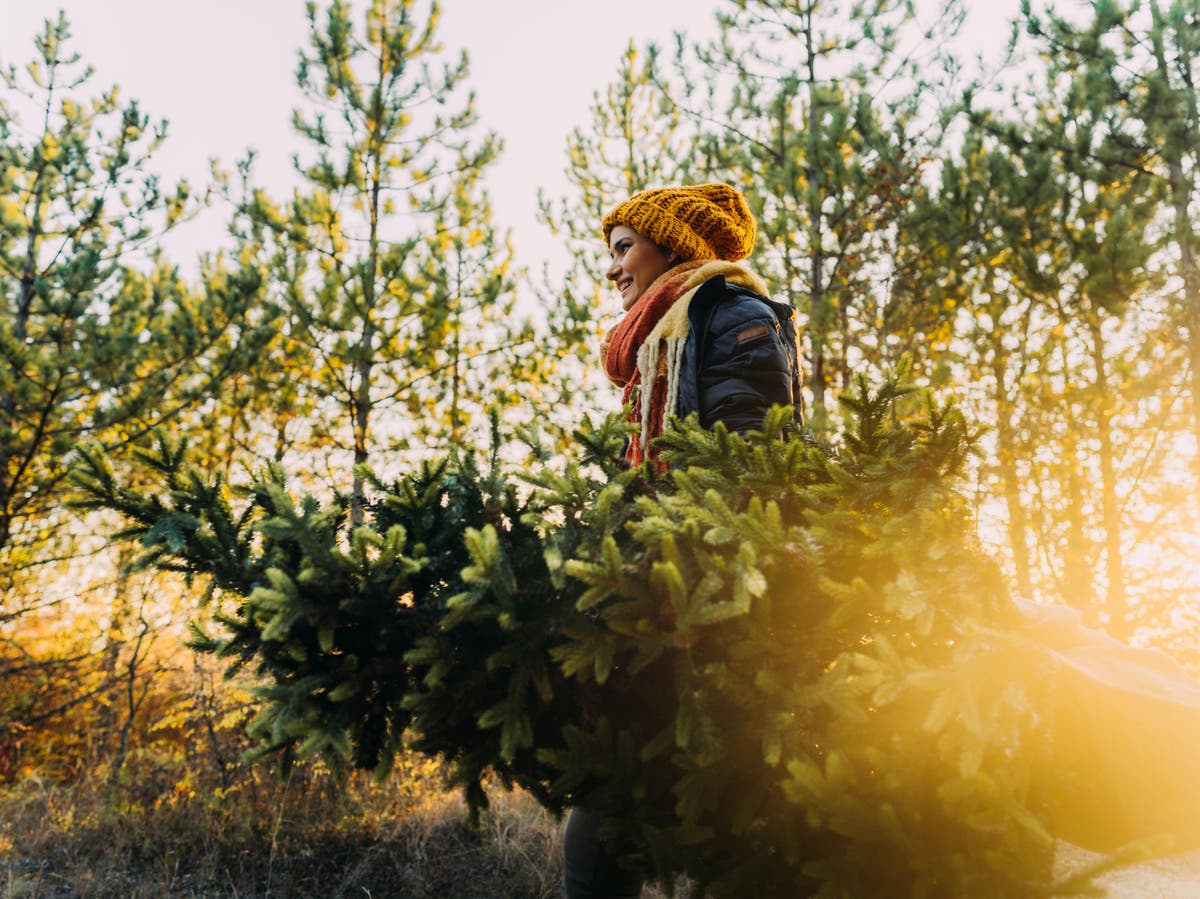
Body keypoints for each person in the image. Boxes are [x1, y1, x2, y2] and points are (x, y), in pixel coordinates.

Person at [563, 183, 804, 899]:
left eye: (623, 248)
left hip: (715, 599)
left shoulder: (730, 315)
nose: (612, 269)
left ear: (673, 244)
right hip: (660, 588)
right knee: (605, 810)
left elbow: (742, 458)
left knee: (708, 814)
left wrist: (674, 566)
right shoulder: (661, 337)